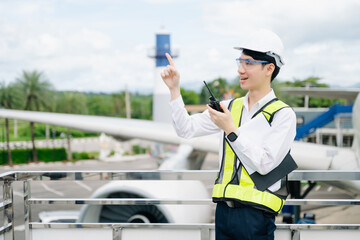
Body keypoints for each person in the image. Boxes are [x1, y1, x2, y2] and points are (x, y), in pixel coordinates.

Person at [160, 29, 297, 240]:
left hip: (257, 216)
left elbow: (265, 163)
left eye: (248, 63)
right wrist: (174, 90)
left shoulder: (283, 115)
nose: (240, 70)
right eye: (239, 62)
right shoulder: (229, 107)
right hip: (223, 213)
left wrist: (231, 130)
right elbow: (185, 128)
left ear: (269, 68)